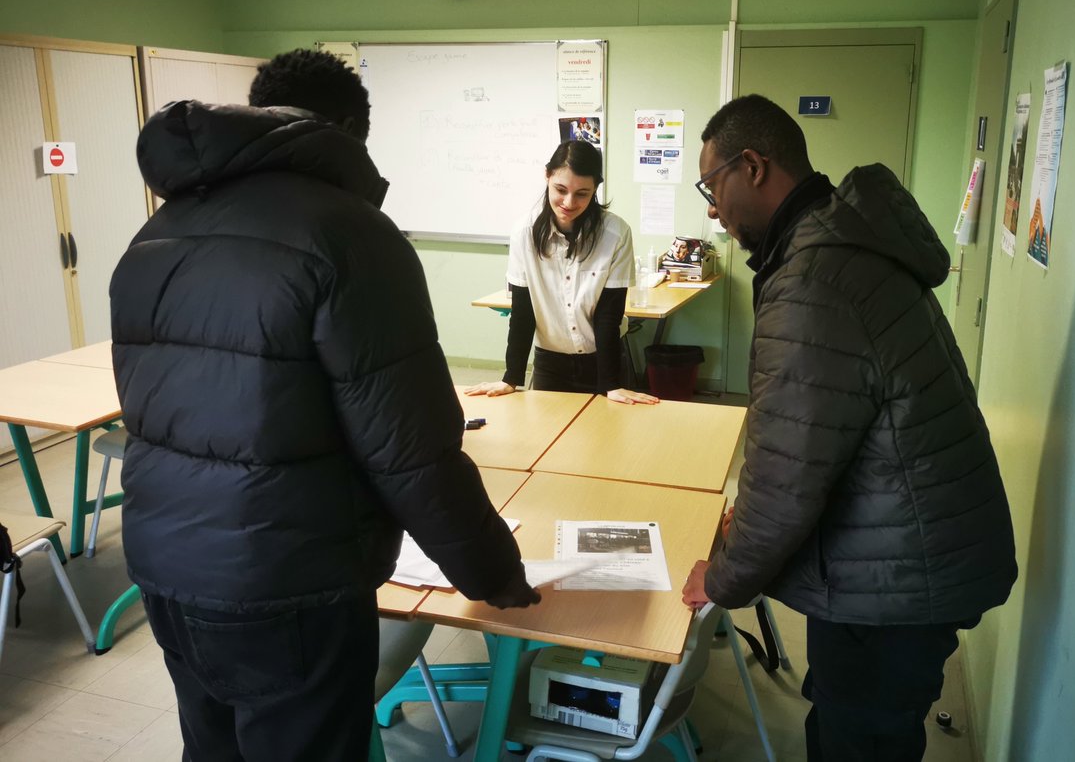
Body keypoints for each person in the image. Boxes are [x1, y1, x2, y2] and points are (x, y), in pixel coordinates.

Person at [110, 49, 538, 762]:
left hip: (165, 564)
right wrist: (492, 571)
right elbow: (411, 451)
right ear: (348, 131)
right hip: (289, 581)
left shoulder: (159, 231)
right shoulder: (351, 233)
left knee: (212, 749)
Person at [681, 95, 1017, 761]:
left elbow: (783, 479)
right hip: (909, 546)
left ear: (753, 166)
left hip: (896, 575)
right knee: (853, 719)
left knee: (858, 738)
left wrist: (721, 577)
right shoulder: (841, 242)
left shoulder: (813, 278)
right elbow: (816, 438)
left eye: (711, 185)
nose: (712, 209)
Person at [466, 140, 658, 404]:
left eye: (582, 193)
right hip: (550, 365)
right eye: (560, 189)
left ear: (595, 188)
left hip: (604, 362)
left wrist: (611, 384)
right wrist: (511, 378)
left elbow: (609, 315)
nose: (569, 202)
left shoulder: (615, 234)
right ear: (547, 176)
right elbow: (523, 311)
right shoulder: (524, 233)